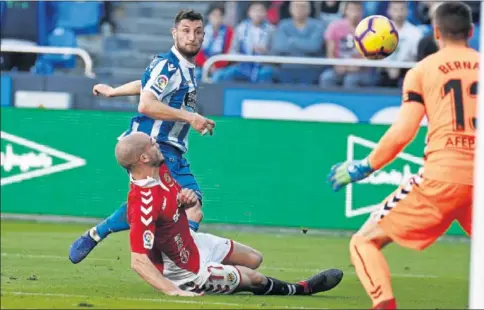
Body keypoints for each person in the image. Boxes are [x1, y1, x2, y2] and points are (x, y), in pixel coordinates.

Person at [69, 10, 263, 271]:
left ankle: (103, 234)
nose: (191, 37)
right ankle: (174, 261)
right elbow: (147, 103)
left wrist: (114, 91)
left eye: (197, 32)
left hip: (173, 151)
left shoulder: (183, 68)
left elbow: (146, 85)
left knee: (174, 203)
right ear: (174, 33)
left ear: (204, 35)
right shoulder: (168, 64)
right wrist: (190, 117)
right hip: (154, 148)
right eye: (185, 31)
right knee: (186, 207)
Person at [327, 2, 477, 309]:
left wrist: (364, 167)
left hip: (440, 179)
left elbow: (404, 131)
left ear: (436, 33)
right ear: (471, 32)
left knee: (364, 242)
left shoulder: (422, 71)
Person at [121, 132, 344, 296]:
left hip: (191, 242)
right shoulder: (142, 203)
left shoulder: (160, 168)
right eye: (151, 144)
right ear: (143, 159)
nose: (156, 143)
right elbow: (138, 261)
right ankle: (301, 289)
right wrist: (173, 291)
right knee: (254, 278)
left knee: (254, 259)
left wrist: (183, 200)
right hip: (187, 272)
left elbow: (170, 204)